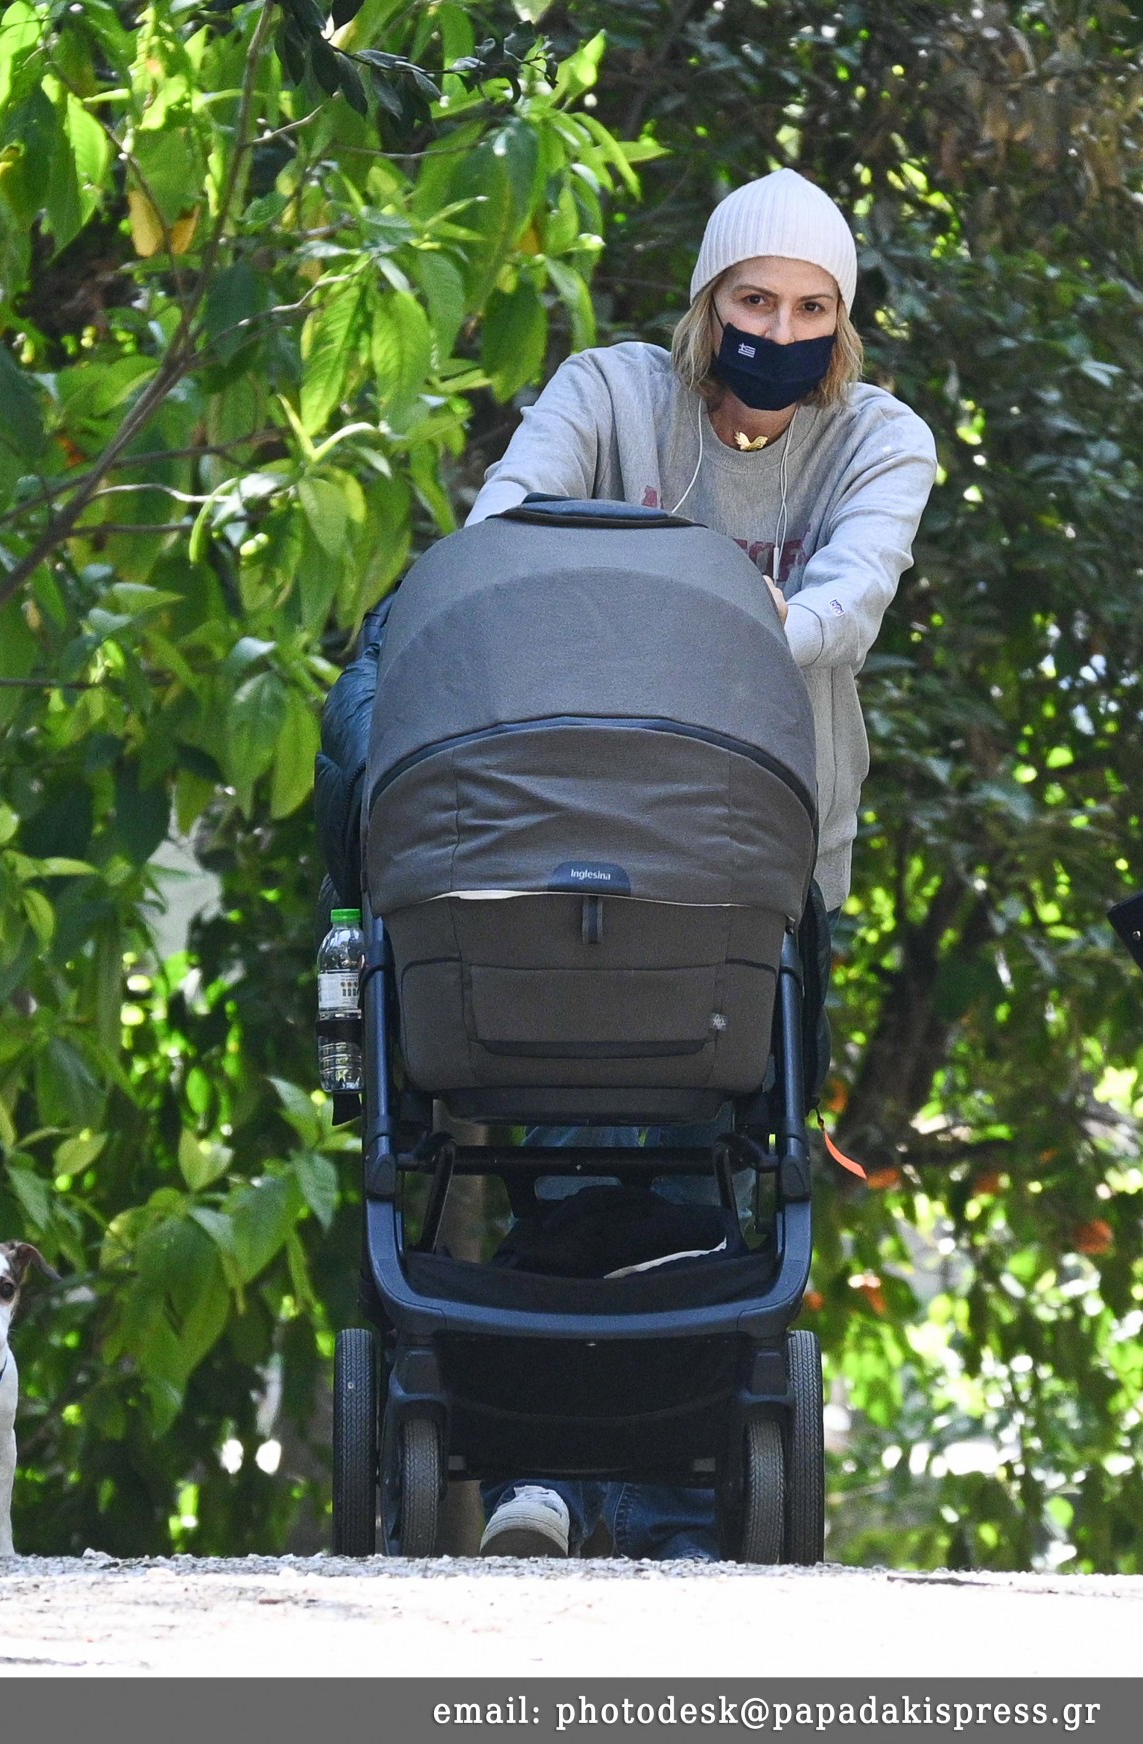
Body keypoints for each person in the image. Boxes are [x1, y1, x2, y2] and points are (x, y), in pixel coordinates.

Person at [316, 167, 935, 1558]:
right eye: (752, 299)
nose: (777, 326)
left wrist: (707, 616)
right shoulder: (612, 395)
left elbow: (849, 603)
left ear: (841, 327)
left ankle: (602, 1478)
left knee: (697, 1152)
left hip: (757, 855)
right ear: (709, 306)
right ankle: (580, 1477)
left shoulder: (881, 441)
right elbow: (499, 536)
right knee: (577, 1128)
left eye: (809, 307)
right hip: (558, 833)